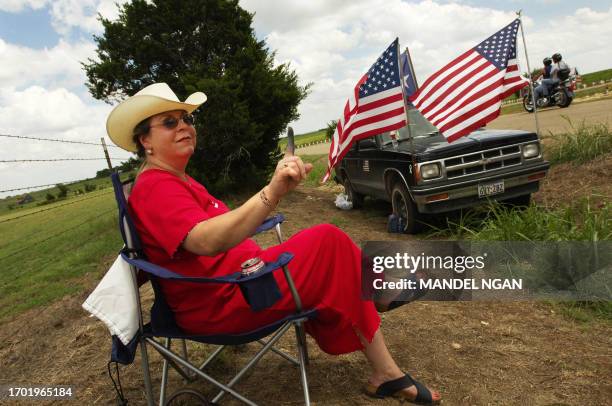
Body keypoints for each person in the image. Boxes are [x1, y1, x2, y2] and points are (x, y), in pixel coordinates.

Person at [106, 83, 441, 404]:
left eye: (187, 119)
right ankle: (383, 341)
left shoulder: (175, 179)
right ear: (145, 140)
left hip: (246, 282)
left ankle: (382, 340)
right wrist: (273, 191)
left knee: (329, 247)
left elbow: (218, 228)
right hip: (225, 299)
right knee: (328, 242)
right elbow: (206, 240)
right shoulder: (155, 188)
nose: (183, 126)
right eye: (169, 122)